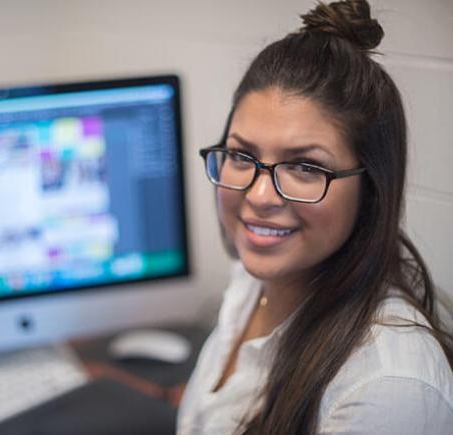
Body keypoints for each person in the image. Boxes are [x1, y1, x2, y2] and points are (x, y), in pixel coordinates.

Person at [177, 1, 453, 434]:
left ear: (372, 190)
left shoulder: (387, 389)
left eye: (306, 167)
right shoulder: (257, 275)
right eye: (241, 155)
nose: (259, 195)